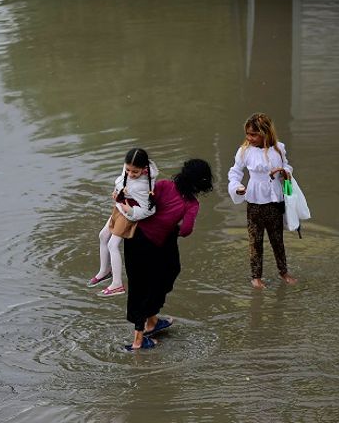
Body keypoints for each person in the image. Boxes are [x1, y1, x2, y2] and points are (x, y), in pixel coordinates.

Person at [124, 158, 213, 350]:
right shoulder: (192, 204)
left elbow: (142, 201)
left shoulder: (164, 185)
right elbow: (186, 230)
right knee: (162, 277)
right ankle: (138, 340)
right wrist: (171, 228)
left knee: (139, 284)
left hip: (134, 239)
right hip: (156, 244)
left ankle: (152, 321)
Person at [228, 112, 298, 289]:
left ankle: (283, 272)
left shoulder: (279, 149)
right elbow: (235, 172)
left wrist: (284, 171)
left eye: (253, 134)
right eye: (247, 134)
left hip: (275, 201)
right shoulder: (244, 151)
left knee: (278, 240)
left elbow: (287, 166)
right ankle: (256, 277)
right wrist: (237, 187)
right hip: (254, 201)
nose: (249, 138)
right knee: (255, 241)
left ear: (265, 133)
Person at [88, 148, 158, 297]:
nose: (130, 174)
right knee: (103, 236)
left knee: (112, 245)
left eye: (135, 172)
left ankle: (117, 284)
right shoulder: (129, 169)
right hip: (120, 208)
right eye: (128, 170)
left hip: (128, 214)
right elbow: (123, 180)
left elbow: (150, 210)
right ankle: (104, 271)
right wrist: (117, 192)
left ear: (144, 169)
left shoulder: (143, 186)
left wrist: (131, 211)